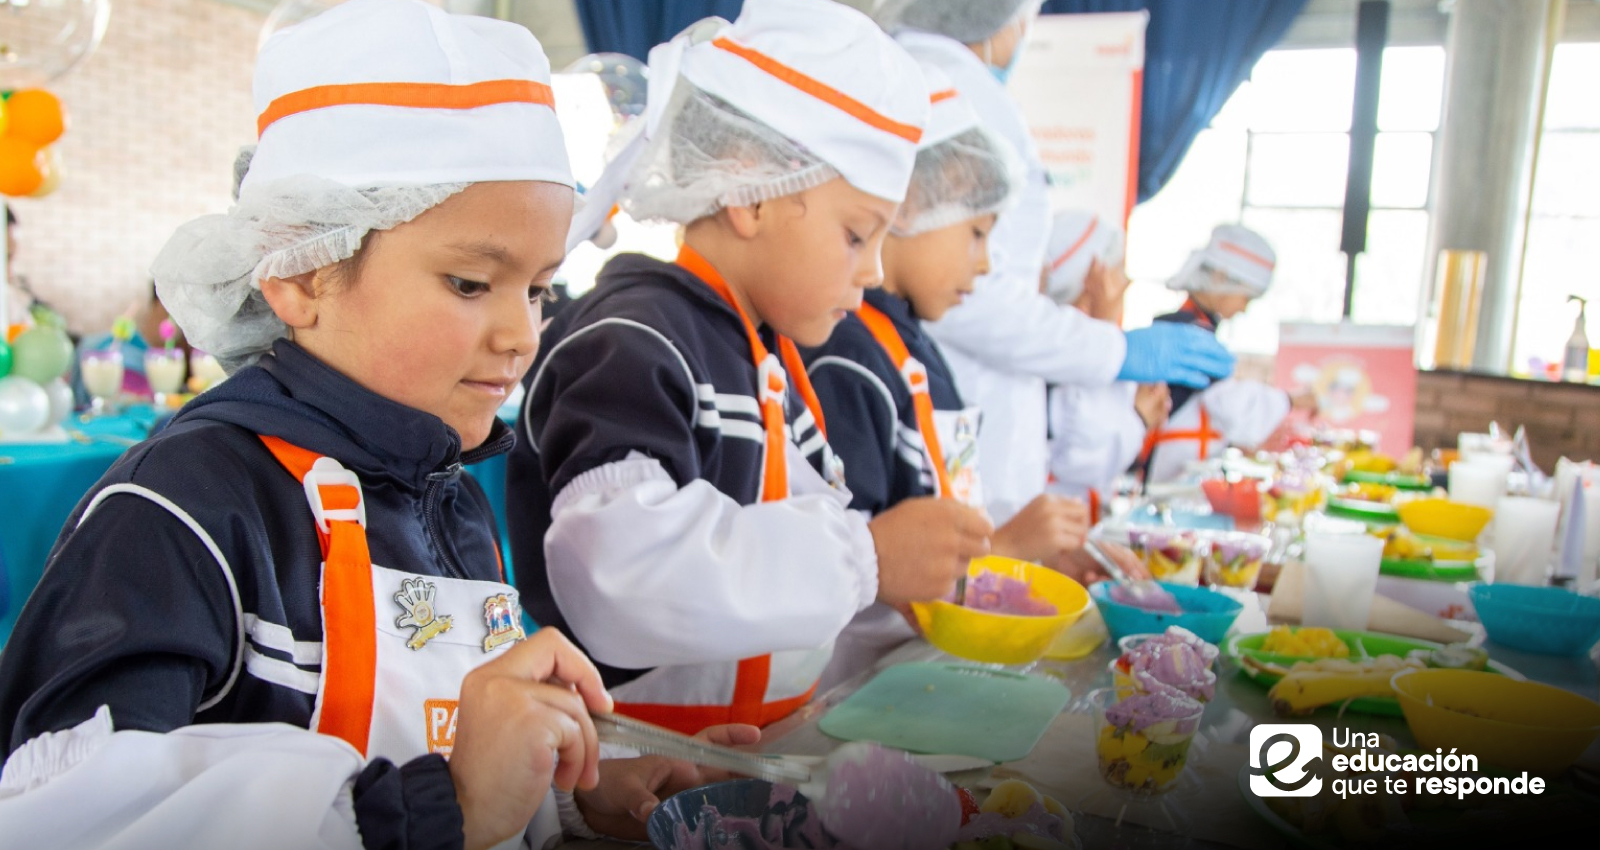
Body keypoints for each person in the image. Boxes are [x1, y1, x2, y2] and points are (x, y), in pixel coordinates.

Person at [0, 3, 751, 848]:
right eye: (471, 283)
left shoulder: (450, 496)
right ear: (301, 274)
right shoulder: (181, 513)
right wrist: (444, 807)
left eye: (538, 289)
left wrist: (569, 790)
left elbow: (442, 744)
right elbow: (69, 817)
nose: (524, 334)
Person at [507, 0, 991, 735]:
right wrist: (865, 558)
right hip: (629, 770)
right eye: (857, 234)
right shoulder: (633, 340)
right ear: (748, 190)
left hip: (740, 753)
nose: (874, 272)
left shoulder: (763, 352)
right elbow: (620, 577)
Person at [871, 0, 1236, 523]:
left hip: (973, 403)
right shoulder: (962, 99)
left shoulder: (935, 83)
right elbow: (974, 302)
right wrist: (1110, 349)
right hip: (965, 400)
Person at [801, 67, 1092, 687]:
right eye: (977, 231)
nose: (986, 263)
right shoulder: (846, 354)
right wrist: (1004, 551)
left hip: (917, 664)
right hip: (857, 682)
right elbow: (860, 563)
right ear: (908, 206)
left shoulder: (912, 347)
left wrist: (1005, 556)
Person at [1140, 224, 1319, 484]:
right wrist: (1292, 400)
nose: (1244, 309)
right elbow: (1234, 410)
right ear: (1220, 279)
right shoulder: (1188, 333)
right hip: (1162, 481)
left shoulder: (1189, 329)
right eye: (1245, 298)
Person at [1040, 209, 1170, 512]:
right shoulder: (1061, 354)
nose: (1125, 284)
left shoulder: (1102, 345)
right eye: (1117, 271)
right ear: (1092, 279)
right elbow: (1082, 459)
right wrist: (1137, 419)